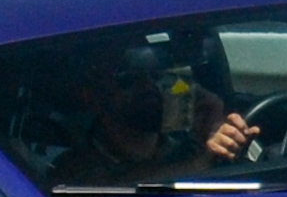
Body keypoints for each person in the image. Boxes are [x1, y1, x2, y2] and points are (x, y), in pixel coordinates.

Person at [50, 36, 257, 187]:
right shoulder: (74, 168)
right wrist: (202, 162)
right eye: (128, 78)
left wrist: (217, 127)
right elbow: (114, 188)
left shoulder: (187, 146)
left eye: (155, 74)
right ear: (93, 96)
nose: (148, 85)